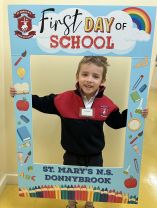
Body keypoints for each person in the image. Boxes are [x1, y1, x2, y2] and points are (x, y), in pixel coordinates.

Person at [10, 56, 148, 208]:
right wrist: (22, 96)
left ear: (102, 81)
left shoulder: (107, 104)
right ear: (77, 76)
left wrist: (136, 113)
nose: (89, 79)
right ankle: (71, 204)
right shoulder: (63, 99)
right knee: (71, 185)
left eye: (95, 76)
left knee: (93, 187)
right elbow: (42, 103)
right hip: (71, 154)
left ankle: (89, 205)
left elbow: (116, 122)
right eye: (85, 74)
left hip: (95, 156)